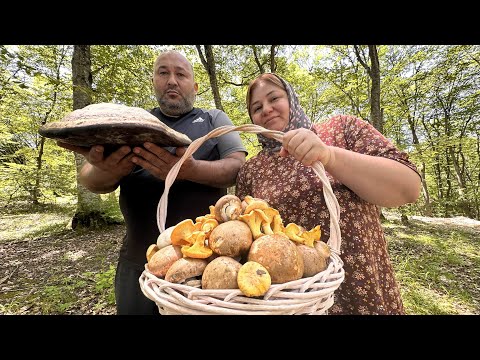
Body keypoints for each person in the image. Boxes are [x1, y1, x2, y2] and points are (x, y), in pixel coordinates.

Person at [58, 50, 247, 315]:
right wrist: (108, 170)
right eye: (163, 72)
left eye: (180, 74)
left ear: (195, 86)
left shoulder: (214, 120)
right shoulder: (129, 124)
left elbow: (237, 168)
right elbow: (91, 180)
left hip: (206, 266)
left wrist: (187, 170)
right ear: (154, 82)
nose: (172, 80)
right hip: (138, 262)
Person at [235, 73, 421, 315]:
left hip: (359, 285)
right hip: (293, 301)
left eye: (274, 98)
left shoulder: (341, 130)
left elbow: (409, 188)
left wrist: (330, 156)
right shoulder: (251, 170)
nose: (267, 109)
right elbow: (245, 241)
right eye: (257, 107)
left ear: (292, 98)